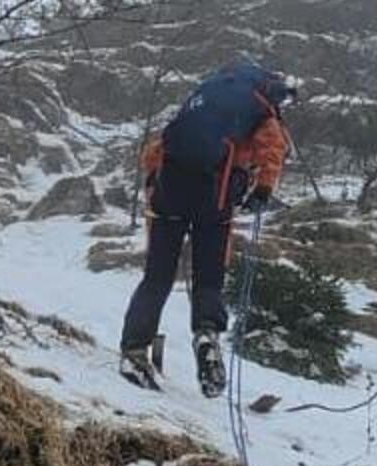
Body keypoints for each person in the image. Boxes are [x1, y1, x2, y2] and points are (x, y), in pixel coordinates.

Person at [119, 60, 294, 396]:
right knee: (209, 278)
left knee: (156, 278)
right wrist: (262, 190)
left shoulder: (201, 101)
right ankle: (206, 334)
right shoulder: (260, 112)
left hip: (168, 196)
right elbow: (274, 150)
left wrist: (156, 187)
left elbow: (156, 151)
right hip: (214, 203)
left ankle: (134, 351)